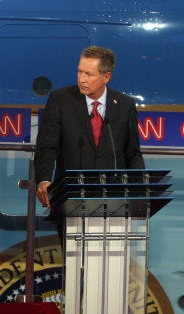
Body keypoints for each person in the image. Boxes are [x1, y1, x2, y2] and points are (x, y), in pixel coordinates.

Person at [34, 45, 145, 221]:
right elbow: (47, 147)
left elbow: (132, 153)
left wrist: (138, 191)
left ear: (106, 77)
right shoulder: (60, 100)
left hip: (114, 200)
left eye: (89, 74)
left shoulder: (124, 105)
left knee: (113, 250)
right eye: (80, 72)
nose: (82, 79)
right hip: (70, 197)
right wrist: (44, 180)